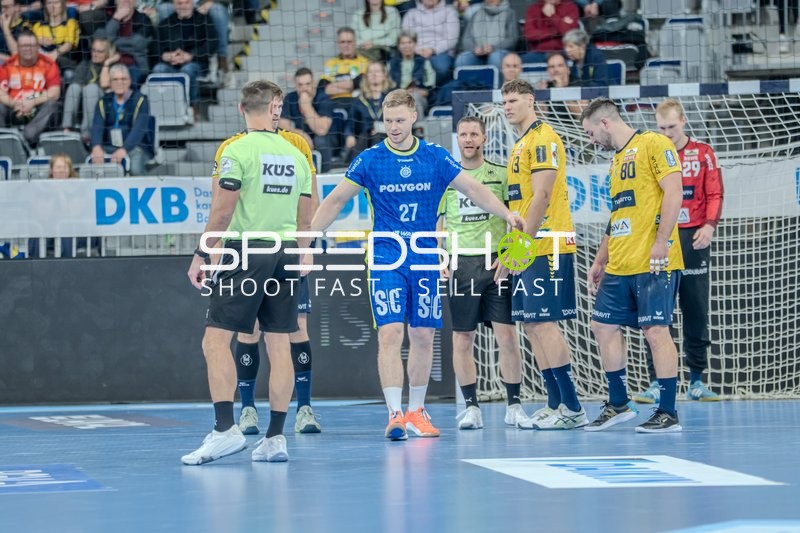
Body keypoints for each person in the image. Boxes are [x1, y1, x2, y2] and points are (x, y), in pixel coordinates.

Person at [309, 89, 525, 441]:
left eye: (399, 120)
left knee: (423, 335)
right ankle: (394, 414)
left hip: (424, 256)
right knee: (391, 332)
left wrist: (507, 213)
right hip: (387, 256)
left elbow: (473, 189)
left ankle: (416, 411)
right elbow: (335, 201)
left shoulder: (434, 156)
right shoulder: (370, 159)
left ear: (413, 117)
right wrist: (306, 239)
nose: (393, 127)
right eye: (388, 121)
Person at [184, 79, 313, 465]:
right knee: (280, 344)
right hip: (285, 253)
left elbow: (222, 210)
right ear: (274, 109)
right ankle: (275, 438)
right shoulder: (297, 155)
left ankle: (225, 430)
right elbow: (305, 219)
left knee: (214, 341)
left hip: (246, 252)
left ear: (241, 109)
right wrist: (301, 254)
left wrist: (202, 254)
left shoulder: (236, 150)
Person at [210, 91, 322, 436]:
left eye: (280, 106)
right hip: (261, 249)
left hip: (268, 250)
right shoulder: (232, 147)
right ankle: (251, 413)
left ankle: (302, 409)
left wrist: (307, 248)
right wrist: (216, 249)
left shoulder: (297, 145)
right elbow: (219, 200)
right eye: (274, 105)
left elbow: (311, 204)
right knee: (252, 332)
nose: (277, 111)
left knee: (290, 332)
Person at [581, 97, 685, 433]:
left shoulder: (654, 143)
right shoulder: (615, 162)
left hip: (653, 259)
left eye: (591, 133)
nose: (591, 140)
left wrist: (661, 241)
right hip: (620, 261)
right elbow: (618, 214)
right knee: (602, 326)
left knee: (655, 331)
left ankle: (667, 412)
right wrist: (601, 259)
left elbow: (674, 192)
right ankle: (618, 403)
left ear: (605, 123)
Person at [496, 78, 587, 430]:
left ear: (531, 101)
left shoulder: (543, 138)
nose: (507, 107)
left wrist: (519, 248)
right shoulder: (519, 144)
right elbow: (520, 205)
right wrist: (513, 247)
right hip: (527, 245)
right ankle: (554, 402)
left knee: (545, 323)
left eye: (514, 100)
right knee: (532, 325)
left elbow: (542, 197)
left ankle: (573, 408)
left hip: (546, 244)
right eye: (504, 102)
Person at [632, 98, 723, 404]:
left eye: (672, 126)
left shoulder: (703, 152)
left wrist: (709, 225)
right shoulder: (651, 153)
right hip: (661, 239)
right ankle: (656, 382)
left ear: (683, 121)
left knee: (695, 308)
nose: (667, 132)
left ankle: (696, 381)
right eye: (661, 128)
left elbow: (715, 192)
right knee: (656, 312)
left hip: (693, 238)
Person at [437, 116, 523, 430]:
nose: (469, 139)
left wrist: (510, 255)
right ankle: (471, 408)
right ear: (457, 139)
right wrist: (439, 255)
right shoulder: (447, 177)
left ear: (484, 138)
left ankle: (514, 406)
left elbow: (516, 219)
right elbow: (439, 221)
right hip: (461, 264)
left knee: (507, 336)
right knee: (462, 338)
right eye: (464, 134)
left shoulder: (500, 174)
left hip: (496, 263)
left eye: (474, 134)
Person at [0, 28, 61, 147]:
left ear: (38, 47)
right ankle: (4, 140)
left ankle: (26, 138)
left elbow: (55, 93)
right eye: (24, 46)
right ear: (18, 47)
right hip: (14, 108)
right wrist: (14, 103)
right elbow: (1, 92)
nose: (27, 49)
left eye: (31, 46)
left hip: (38, 109)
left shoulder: (49, 64)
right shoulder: (8, 65)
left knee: (53, 105)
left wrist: (32, 102)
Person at [89, 63, 153, 175]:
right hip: (109, 146)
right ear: (110, 83)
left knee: (135, 168)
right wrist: (97, 146)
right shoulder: (103, 101)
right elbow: (97, 126)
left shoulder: (141, 100)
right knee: (94, 164)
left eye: (123, 79)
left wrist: (124, 149)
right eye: (115, 79)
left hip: (136, 147)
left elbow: (139, 130)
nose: (120, 82)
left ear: (129, 81)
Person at [153, 0, 218, 109]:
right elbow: (155, 46)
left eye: (186, 2)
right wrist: (165, 55)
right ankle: (165, 108)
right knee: (158, 69)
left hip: (197, 64)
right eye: (179, 3)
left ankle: (192, 107)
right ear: (174, 5)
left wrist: (191, 55)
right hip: (172, 64)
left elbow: (212, 44)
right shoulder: (165, 23)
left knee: (188, 70)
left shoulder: (204, 20)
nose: (183, 6)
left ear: (192, 3)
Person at [27, 153, 85, 258]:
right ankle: (35, 265)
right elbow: (42, 215)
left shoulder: (77, 188)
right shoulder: (43, 189)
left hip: (74, 230)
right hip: (49, 230)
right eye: (58, 167)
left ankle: (67, 267)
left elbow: (74, 215)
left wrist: (61, 193)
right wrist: (53, 192)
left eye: (65, 167)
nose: (61, 170)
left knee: (66, 232)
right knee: (37, 235)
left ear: (70, 170)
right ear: (52, 170)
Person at [279, 67, 336, 172]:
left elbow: (321, 130)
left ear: (313, 83)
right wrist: (301, 134)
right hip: (301, 136)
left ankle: (324, 174)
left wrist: (306, 105)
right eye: (300, 85)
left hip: (326, 139)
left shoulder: (323, 98)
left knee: (320, 140)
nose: (304, 88)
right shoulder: (290, 98)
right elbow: (282, 124)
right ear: (295, 85)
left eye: (307, 84)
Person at [62, 34, 112, 139]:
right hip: (83, 102)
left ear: (107, 53)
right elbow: (77, 83)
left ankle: (88, 134)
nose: (95, 54)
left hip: (104, 103)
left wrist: (107, 63)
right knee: (73, 88)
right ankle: (67, 130)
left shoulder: (111, 67)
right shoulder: (85, 64)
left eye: (100, 52)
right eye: (93, 50)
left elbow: (104, 84)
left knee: (91, 89)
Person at [400, 0, 459, 86]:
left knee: (442, 68)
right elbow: (406, 36)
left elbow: (452, 39)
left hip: (440, 53)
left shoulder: (449, 12)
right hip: (416, 51)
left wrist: (433, 50)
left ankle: (437, 92)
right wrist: (416, 50)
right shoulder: (411, 14)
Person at [344, 60, 393, 162]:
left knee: (378, 137)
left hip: (389, 138)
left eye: (377, 71)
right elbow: (350, 123)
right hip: (365, 140)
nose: (374, 74)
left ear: (384, 75)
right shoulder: (358, 101)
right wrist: (349, 135)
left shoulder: (393, 98)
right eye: (371, 72)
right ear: (366, 76)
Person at [101, 0, 156, 88]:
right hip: (112, 63)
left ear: (135, 1)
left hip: (136, 64)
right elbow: (102, 40)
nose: (126, 1)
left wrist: (113, 41)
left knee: (127, 78)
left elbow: (136, 44)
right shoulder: (109, 17)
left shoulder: (143, 19)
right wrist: (116, 18)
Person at [454, 0, 518, 72]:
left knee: (495, 58)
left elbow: (512, 39)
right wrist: (474, 48)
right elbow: (466, 38)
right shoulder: (476, 14)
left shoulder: (510, 13)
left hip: (500, 52)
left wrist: (493, 48)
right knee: (462, 60)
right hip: (477, 53)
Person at [389, 29, 435, 118]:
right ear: (398, 46)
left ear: (415, 43)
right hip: (397, 97)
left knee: (413, 98)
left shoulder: (424, 62)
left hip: (418, 98)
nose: (406, 46)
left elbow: (429, 90)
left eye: (410, 42)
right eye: (403, 43)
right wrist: (403, 92)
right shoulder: (392, 63)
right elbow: (388, 87)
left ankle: (418, 126)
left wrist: (417, 91)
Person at [319, 27, 369, 106]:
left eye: (349, 42)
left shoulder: (365, 62)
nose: (346, 45)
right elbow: (325, 89)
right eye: (342, 42)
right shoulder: (330, 63)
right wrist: (352, 87)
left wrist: (334, 85)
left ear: (355, 43)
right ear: (338, 44)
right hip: (333, 104)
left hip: (357, 104)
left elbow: (361, 83)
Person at [30, 0, 78, 78]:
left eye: (56, 3)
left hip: (62, 60)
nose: (52, 6)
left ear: (62, 5)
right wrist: (38, 41)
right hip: (40, 60)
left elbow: (69, 44)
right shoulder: (37, 26)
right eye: (49, 3)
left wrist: (55, 53)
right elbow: (30, 43)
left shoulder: (70, 24)